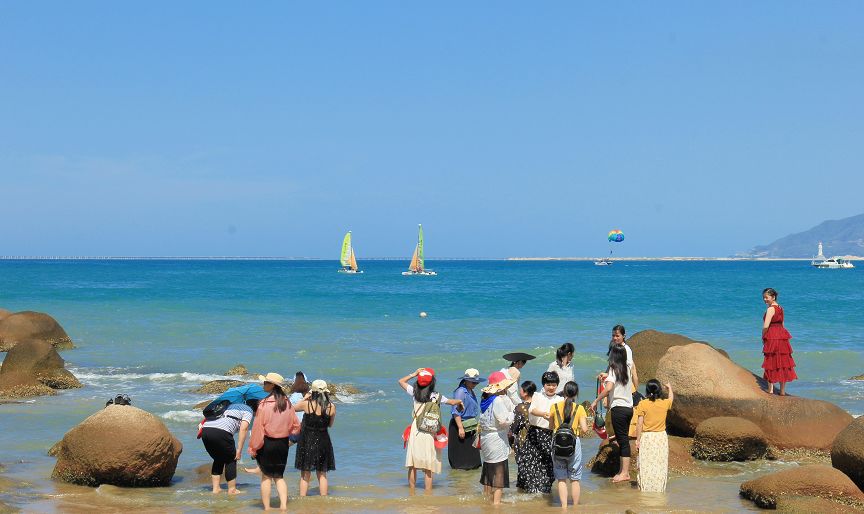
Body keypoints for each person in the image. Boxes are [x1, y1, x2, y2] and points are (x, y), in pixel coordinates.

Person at [397, 368, 463, 493]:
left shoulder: (414, 392)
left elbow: (401, 381)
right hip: (429, 431)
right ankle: (428, 493)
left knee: (412, 465)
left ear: (418, 381)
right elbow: (451, 402)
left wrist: (414, 374)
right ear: (432, 382)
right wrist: (459, 401)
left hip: (416, 430)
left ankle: (412, 492)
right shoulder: (437, 396)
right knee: (428, 467)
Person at [248, 372, 301, 511]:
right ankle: (283, 507)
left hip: (268, 443)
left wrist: (253, 448)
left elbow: (258, 429)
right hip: (283, 444)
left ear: (273, 385)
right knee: (279, 476)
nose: (263, 384)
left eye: (266, 382)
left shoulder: (263, 404)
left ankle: (267, 508)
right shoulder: (287, 402)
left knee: (266, 477)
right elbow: (296, 426)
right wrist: (285, 431)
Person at [591, 345, 634, 483]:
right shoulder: (626, 369)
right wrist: (607, 376)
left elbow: (608, 388)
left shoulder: (614, 370)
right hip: (629, 408)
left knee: (623, 442)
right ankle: (623, 471)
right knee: (624, 439)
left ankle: (625, 473)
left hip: (619, 409)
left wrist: (596, 400)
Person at [200, 399, 257, 494]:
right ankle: (232, 489)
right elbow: (244, 429)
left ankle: (216, 489)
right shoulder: (248, 410)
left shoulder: (231, 405)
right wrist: (239, 450)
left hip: (206, 430)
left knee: (218, 458)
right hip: (221, 432)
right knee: (231, 459)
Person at [293, 379, 336, 496]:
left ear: (313, 392)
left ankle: (302, 500)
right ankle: (323, 500)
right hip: (323, 440)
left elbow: (291, 409)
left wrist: (304, 399)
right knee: (322, 474)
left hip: (307, 441)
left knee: (305, 474)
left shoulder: (306, 404)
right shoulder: (331, 407)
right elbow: (330, 425)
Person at [478, 371, 516, 505]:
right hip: (496, 439)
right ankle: (496, 503)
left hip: (486, 438)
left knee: (488, 469)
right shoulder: (498, 400)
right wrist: (512, 414)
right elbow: (503, 420)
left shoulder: (484, 400)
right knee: (499, 471)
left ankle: (487, 498)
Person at [549, 381, 589, 509]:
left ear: (564, 392)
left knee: (561, 478)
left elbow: (551, 427)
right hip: (573, 444)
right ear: (576, 394)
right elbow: (584, 429)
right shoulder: (580, 408)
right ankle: (575, 508)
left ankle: (564, 508)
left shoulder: (554, 407)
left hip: (557, 444)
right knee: (575, 478)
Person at [525, 371, 564, 493]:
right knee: (532, 461)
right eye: (548, 385)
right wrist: (543, 414)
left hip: (550, 434)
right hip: (534, 433)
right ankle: (531, 489)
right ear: (543, 385)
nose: (551, 387)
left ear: (557, 385)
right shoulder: (537, 395)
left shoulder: (560, 399)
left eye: (554, 385)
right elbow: (532, 410)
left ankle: (545, 488)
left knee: (548, 462)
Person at [599, 325, 639, 441]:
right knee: (610, 408)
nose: (615, 338)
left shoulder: (626, 350)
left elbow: (628, 370)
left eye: (617, 336)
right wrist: (607, 375)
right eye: (613, 335)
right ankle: (614, 434)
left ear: (623, 336)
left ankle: (619, 436)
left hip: (623, 384)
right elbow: (615, 367)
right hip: (615, 382)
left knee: (615, 408)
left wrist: (635, 389)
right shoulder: (615, 347)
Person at [634, 380, 674, 492]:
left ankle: (645, 489)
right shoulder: (664, 403)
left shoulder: (643, 404)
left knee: (646, 465)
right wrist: (670, 388)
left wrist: (637, 440)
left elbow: (639, 424)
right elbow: (671, 399)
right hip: (660, 438)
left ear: (647, 390)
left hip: (647, 437)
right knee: (660, 465)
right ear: (659, 390)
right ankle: (659, 489)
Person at [761, 288, 797, 395]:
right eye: (763, 297)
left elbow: (766, 326)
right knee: (783, 362)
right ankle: (782, 391)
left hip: (772, 336)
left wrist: (763, 336)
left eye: (766, 297)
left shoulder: (770, 309)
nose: (764, 299)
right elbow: (782, 324)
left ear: (773, 297)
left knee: (771, 361)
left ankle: (770, 389)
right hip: (782, 336)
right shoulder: (781, 308)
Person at [449, 368, 484, 470]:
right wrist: (460, 428)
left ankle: (468, 480)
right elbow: (455, 411)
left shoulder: (470, 391)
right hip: (460, 425)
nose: (475, 384)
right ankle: (460, 482)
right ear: (466, 380)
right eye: (473, 382)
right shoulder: (461, 391)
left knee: (472, 458)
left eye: (476, 382)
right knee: (461, 459)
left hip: (470, 425)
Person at [510, 380, 536, 490]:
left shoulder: (521, 407)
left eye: (521, 390)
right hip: (536, 438)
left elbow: (515, 426)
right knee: (534, 465)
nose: (520, 392)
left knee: (523, 465)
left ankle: (523, 487)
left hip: (523, 439)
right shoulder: (536, 405)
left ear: (525, 393)